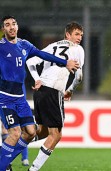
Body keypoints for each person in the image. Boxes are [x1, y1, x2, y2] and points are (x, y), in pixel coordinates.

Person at [0, 15, 79, 171]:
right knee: (15, 133)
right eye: (7, 25)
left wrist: (65, 63)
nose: (11, 27)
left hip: (20, 99)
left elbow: (43, 55)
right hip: (5, 98)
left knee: (30, 132)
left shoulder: (24, 45)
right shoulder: (1, 46)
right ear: (3, 29)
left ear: (17, 26)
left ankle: (3, 162)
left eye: (13, 24)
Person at [26, 21, 84, 171]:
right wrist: (70, 90)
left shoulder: (51, 46)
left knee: (42, 132)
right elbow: (79, 77)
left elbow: (31, 61)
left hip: (39, 92)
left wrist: (37, 79)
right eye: (76, 34)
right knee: (56, 135)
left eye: (81, 35)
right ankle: (33, 170)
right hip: (52, 91)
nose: (79, 38)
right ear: (68, 34)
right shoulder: (77, 49)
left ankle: (9, 145)